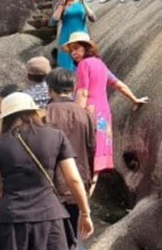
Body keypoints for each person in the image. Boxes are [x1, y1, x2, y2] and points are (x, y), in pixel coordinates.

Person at [0, 92, 94, 250]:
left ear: (6, 117)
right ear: (34, 112)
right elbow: (74, 180)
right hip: (48, 220)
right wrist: (85, 213)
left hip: (10, 219)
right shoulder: (56, 136)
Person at [62, 32, 148, 193]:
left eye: (76, 48)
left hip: (88, 112)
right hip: (103, 113)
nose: (73, 52)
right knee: (97, 155)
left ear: (87, 48)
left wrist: (75, 116)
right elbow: (118, 84)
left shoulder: (83, 65)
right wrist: (134, 99)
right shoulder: (100, 65)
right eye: (71, 50)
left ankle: (79, 196)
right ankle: (89, 195)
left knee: (82, 152)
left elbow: (82, 93)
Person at [45, 68, 96, 250]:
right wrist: (91, 180)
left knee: (49, 242)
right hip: (78, 186)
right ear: (73, 88)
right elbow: (92, 148)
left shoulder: (44, 114)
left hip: (50, 186)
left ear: (49, 90)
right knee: (73, 243)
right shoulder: (86, 115)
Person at [49, 0, 96, 71]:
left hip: (82, 38)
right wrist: (62, 4)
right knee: (67, 66)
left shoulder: (82, 2)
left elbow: (93, 18)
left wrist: (83, 2)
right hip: (66, 38)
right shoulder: (61, 3)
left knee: (83, 65)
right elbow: (52, 22)